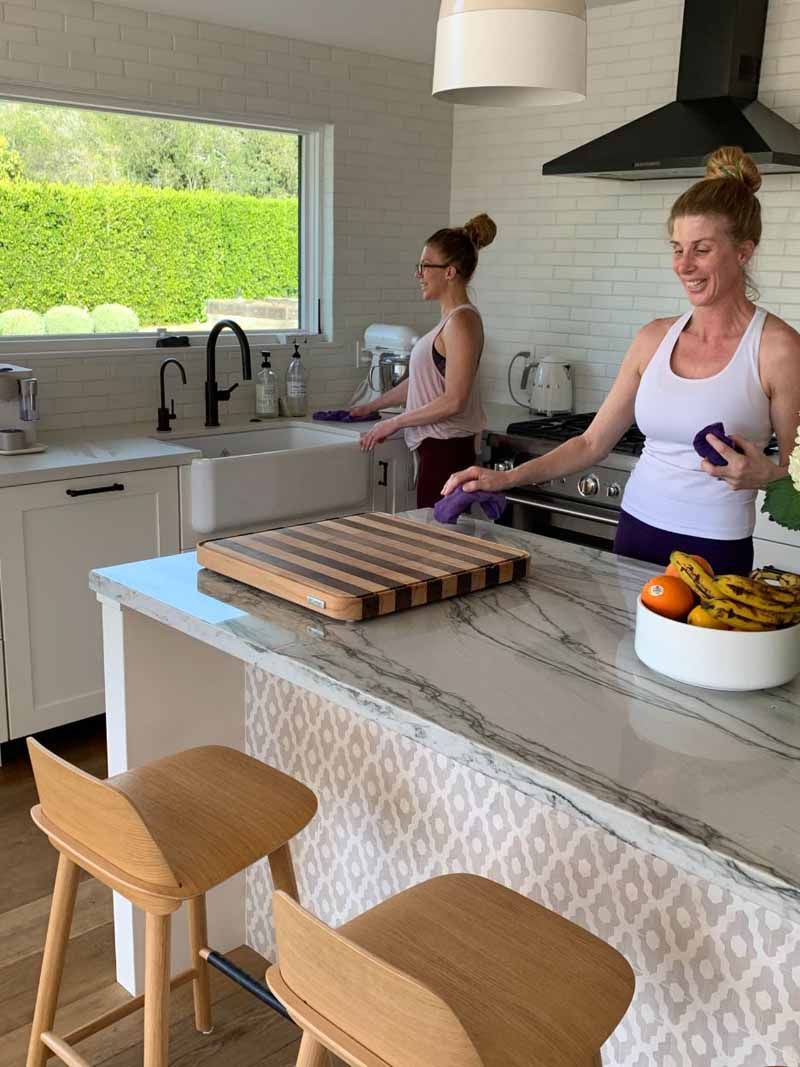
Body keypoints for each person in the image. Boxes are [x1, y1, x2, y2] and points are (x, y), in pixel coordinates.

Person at [442, 146, 800, 575]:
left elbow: (794, 474)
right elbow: (591, 443)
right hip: (635, 531)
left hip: (715, 547)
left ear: (743, 251)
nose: (684, 265)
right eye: (677, 248)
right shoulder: (653, 338)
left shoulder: (777, 348)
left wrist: (769, 476)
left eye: (701, 249)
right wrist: (502, 477)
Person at [352, 214, 496, 507]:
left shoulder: (462, 322)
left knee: (439, 544)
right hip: (436, 452)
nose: (419, 274)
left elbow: (454, 400)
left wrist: (394, 423)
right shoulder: (449, 322)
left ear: (449, 272)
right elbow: (421, 384)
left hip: (448, 453)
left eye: (424, 266)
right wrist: (371, 406)